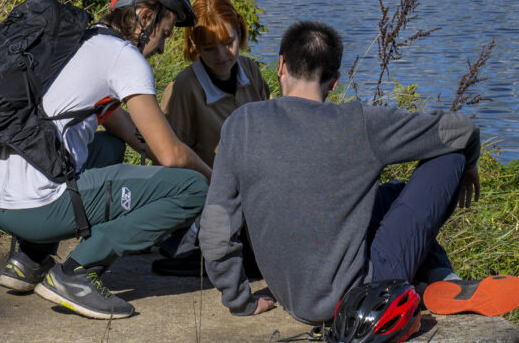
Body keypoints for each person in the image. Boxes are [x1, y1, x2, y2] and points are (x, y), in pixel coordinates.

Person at [199, 19, 477, 325]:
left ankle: (437, 277)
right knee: (451, 157)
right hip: (360, 297)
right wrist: (470, 162)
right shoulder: (357, 122)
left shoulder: (241, 123)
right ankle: (436, 280)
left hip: (291, 296)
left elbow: (216, 226)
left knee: (392, 194)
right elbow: (461, 130)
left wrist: (239, 300)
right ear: (334, 81)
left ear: (281, 65)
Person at [0, 0, 211, 321]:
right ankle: (76, 274)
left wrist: (154, 171)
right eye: (166, 33)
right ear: (146, 14)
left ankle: (28, 259)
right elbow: (170, 155)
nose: (164, 47)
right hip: (36, 206)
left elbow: (125, 130)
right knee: (192, 188)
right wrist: (214, 179)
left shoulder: (82, 41)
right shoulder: (124, 57)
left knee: (108, 146)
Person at [162, 0, 272, 164]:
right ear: (194, 45)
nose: (221, 56)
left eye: (229, 43)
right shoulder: (183, 89)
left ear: (240, 32)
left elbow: (269, 124)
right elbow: (172, 158)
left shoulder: (249, 69)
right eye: (209, 48)